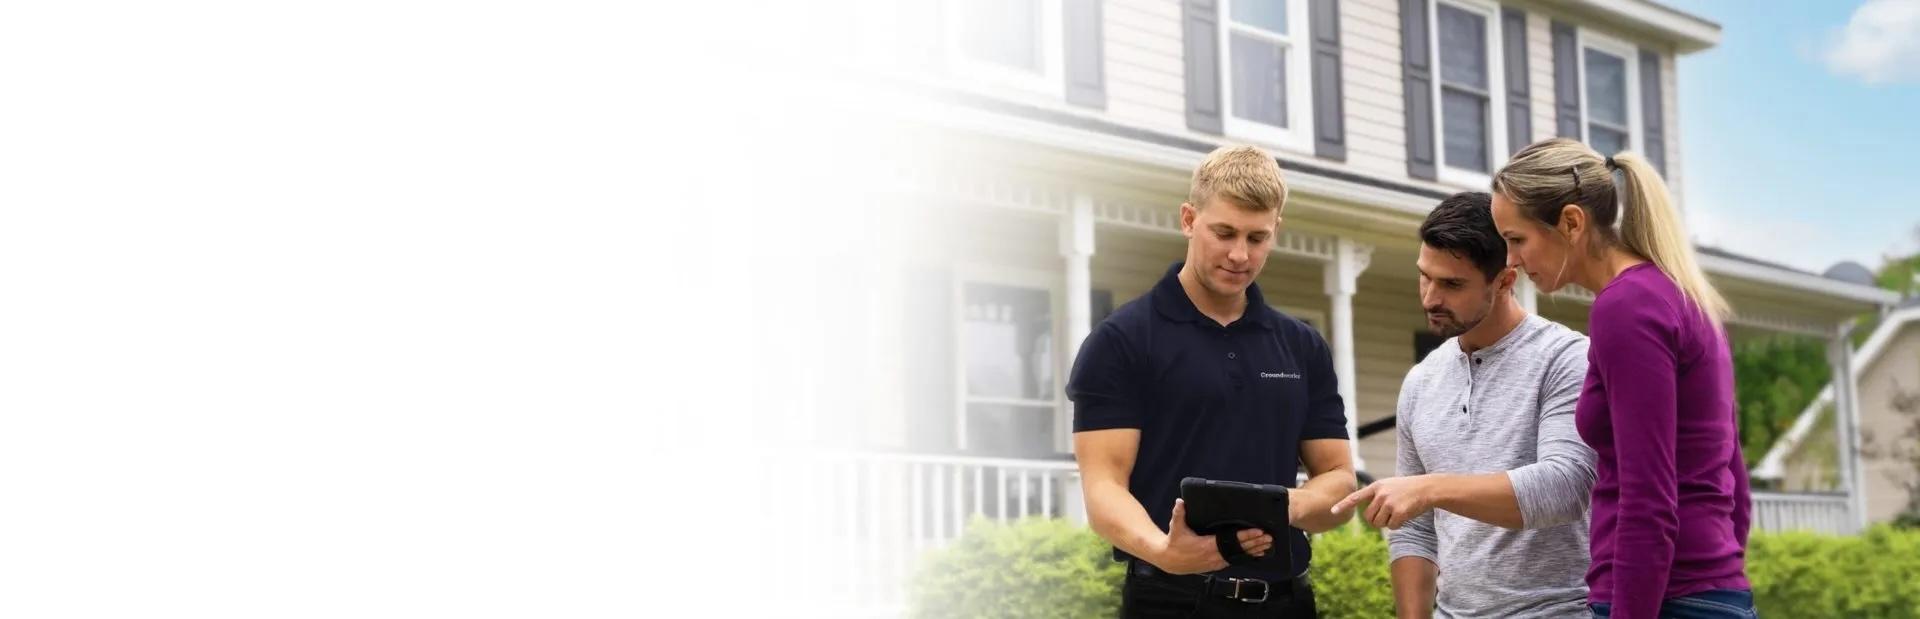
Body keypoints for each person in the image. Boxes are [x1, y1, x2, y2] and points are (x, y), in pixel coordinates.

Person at [1069, 145, 1355, 618]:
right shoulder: (1121, 340)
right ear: (1188, 219)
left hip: (1285, 603)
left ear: (1275, 231)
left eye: (1257, 238)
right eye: (1223, 232)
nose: (1239, 254)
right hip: (1169, 601)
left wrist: (1287, 507)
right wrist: (1163, 551)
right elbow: (1103, 487)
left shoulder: (1302, 346)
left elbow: (1339, 477)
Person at [1490, 138, 1753, 618]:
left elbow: (1647, 496)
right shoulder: (1683, 297)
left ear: (1572, 222)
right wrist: (1719, 581)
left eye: (1517, 239)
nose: (1510, 261)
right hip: (1707, 591)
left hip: (1663, 599)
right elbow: (1732, 476)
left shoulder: (1627, 308)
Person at [1331, 191, 1596, 618]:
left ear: (1505, 281)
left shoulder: (1566, 359)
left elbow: (1564, 488)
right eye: (1425, 277)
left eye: (1452, 284)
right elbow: (1414, 530)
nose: (1431, 298)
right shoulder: (1421, 381)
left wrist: (1428, 489)